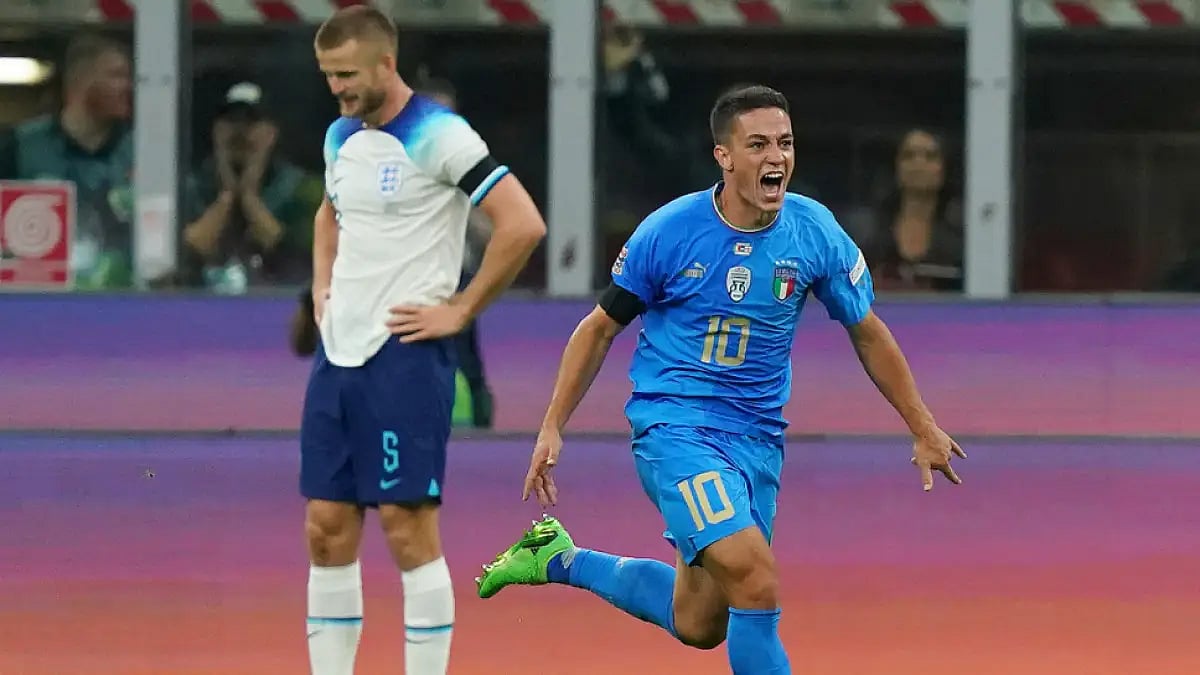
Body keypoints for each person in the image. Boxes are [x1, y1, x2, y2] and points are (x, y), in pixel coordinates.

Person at [475, 85, 965, 675]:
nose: (776, 158)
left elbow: (867, 331)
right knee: (755, 578)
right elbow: (599, 329)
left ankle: (559, 559)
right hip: (675, 428)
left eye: (784, 143)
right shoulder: (672, 231)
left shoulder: (813, 233)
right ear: (724, 157)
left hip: (756, 440)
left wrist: (922, 425)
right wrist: (552, 425)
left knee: (701, 622)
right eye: (757, 144)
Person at [301, 7, 546, 675]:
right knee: (325, 528)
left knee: (407, 529)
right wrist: (322, 288)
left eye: (347, 74)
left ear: (386, 64)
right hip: (338, 357)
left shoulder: (441, 136)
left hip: (405, 359)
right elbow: (330, 212)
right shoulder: (339, 136)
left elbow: (521, 223)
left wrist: (462, 308)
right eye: (328, 76)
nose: (337, 89)